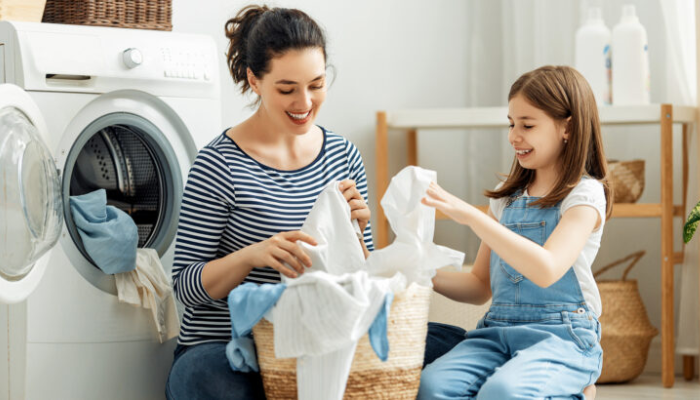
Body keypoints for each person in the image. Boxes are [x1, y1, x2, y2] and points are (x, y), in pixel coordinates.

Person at [165, 5, 373, 399]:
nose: (304, 102)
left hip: (314, 342)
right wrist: (251, 256)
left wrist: (358, 236)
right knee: (200, 380)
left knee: (441, 343)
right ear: (254, 81)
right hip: (225, 347)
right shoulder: (219, 163)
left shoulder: (343, 156)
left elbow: (365, 282)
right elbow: (185, 287)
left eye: (316, 84)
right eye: (287, 88)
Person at [418, 65, 610, 400]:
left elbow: (547, 268)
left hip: (562, 335)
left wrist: (473, 218)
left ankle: (577, 390)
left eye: (527, 125)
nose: (513, 136)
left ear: (568, 127)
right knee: (431, 387)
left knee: (503, 392)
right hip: (497, 332)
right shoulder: (506, 199)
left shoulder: (584, 196)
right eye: (511, 123)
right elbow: (479, 287)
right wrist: (418, 271)